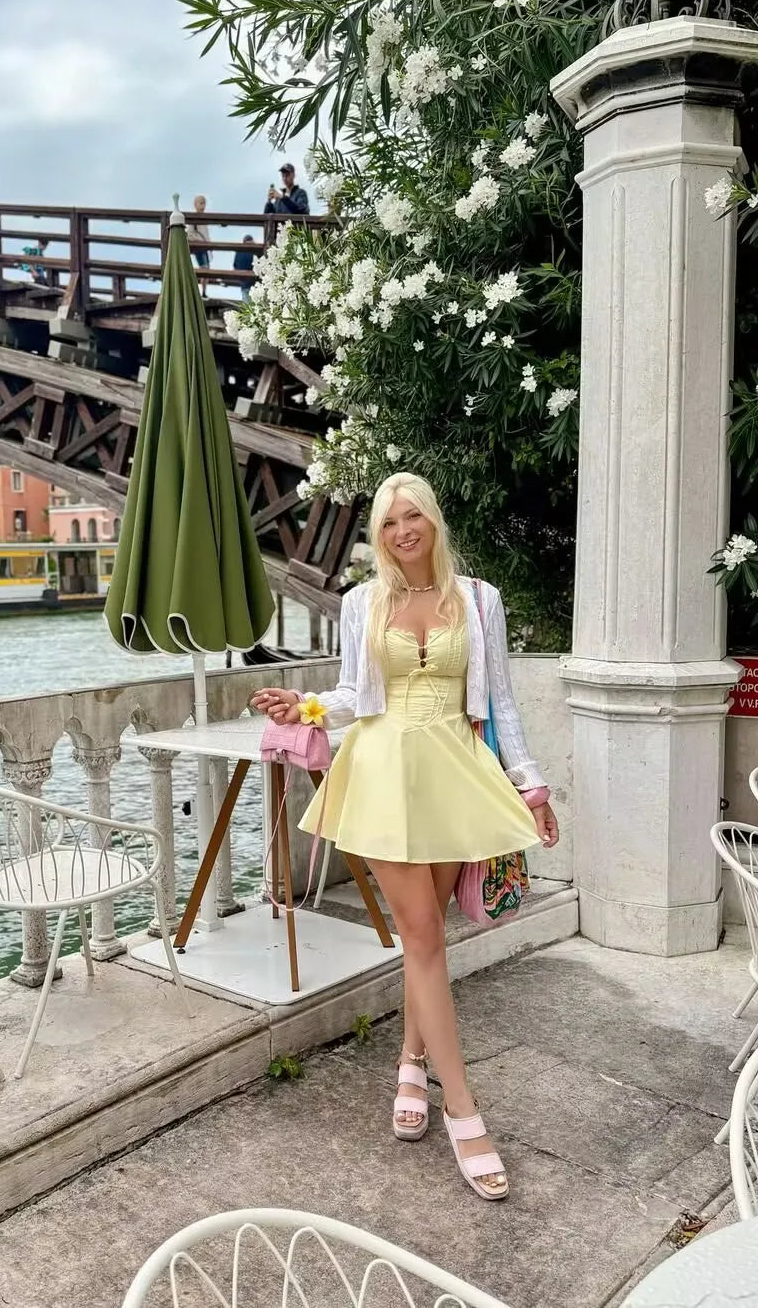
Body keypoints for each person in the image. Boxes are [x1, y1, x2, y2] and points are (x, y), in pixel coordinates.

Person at [251, 472, 559, 1202]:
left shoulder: (480, 599)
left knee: (434, 934)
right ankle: (464, 1110)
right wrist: (309, 705)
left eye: (412, 514)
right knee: (419, 933)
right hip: (384, 770)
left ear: (433, 518)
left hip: (456, 768)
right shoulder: (363, 602)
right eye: (388, 522)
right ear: (378, 535)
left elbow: (501, 701)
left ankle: (409, 1060)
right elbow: (358, 694)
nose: (401, 531)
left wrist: (532, 785)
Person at [187, 194, 211, 296]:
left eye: (204, 203)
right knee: (204, 268)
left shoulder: (204, 219)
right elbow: (189, 234)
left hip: (205, 247)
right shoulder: (194, 218)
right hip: (199, 247)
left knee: (206, 270)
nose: (203, 205)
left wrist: (209, 244)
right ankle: (201, 292)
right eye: (201, 203)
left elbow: (206, 233)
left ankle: (203, 291)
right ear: (195, 205)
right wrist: (198, 240)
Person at [232, 234, 257, 300]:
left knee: (248, 307)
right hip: (256, 284)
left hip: (244, 284)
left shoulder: (239, 251)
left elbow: (235, 267)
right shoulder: (255, 250)